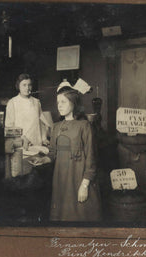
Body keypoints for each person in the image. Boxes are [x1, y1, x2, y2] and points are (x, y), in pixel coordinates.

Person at [38, 86, 101, 222]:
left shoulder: (84, 126)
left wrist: (84, 186)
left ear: (73, 103)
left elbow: (91, 159)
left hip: (78, 180)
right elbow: (53, 153)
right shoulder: (56, 126)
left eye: (63, 102)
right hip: (61, 181)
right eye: (58, 102)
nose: (59, 106)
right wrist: (44, 160)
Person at [5, 73, 51, 149]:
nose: (27, 88)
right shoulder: (12, 103)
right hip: (21, 144)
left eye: (29, 85)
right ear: (18, 86)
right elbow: (9, 128)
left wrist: (44, 138)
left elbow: (42, 123)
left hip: (37, 143)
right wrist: (22, 138)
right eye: (24, 85)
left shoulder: (36, 102)